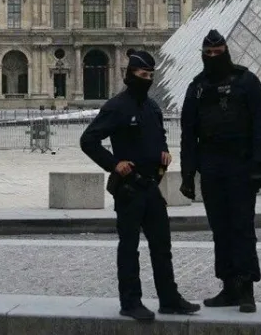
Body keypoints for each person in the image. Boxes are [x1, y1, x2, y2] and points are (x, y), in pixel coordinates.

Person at [80, 50, 200, 322]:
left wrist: (164, 152)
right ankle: (130, 301)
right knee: (129, 247)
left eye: (150, 75)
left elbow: (158, 136)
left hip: (151, 186)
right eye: (142, 75)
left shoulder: (152, 106)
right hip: (129, 188)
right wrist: (113, 164)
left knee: (162, 245)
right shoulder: (116, 106)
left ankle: (169, 299)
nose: (146, 79)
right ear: (129, 75)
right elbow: (88, 140)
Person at [178, 29, 261, 313]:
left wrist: (258, 166)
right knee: (220, 228)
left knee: (242, 226)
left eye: (218, 53)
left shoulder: (247, 81)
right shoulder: (197, 87)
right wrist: (187, 175)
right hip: (212, 165)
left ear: (226, 52)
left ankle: (246, 288)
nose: (214, 58)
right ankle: (228, 286)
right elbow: (187, 134)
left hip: (240, 164)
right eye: (209, 54)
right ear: (203, 55)